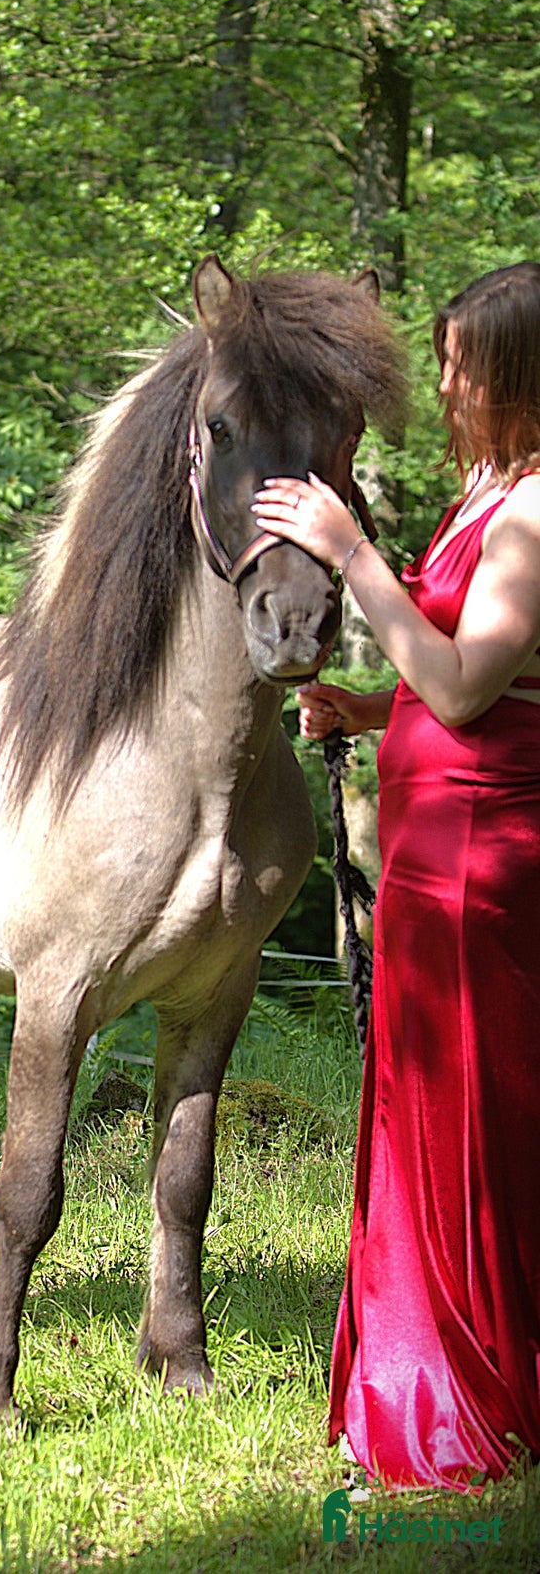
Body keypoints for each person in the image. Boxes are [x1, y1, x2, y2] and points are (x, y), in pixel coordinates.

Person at [252, 261, 540, 1493]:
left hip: (484, 861)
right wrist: (370, 707)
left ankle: (475, 1399)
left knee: (474, 1112)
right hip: (434, 846)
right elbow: (470, 685)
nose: (443, 380)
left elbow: (473, 685)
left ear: (519, 376)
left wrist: (353, 552)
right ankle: (425, 1367)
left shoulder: (536, 513)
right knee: (423, 1103)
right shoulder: (492, 491)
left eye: (462, 363)